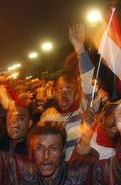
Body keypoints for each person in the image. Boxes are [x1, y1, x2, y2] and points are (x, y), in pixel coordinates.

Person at [40, 23, 97, 160]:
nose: (63, 93)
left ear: (77, 93)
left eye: (69, 89)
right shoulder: (48, 116)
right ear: (54, 93)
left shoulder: (83, 111)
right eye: (60, 89)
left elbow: (89, 86)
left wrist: (80, 49)